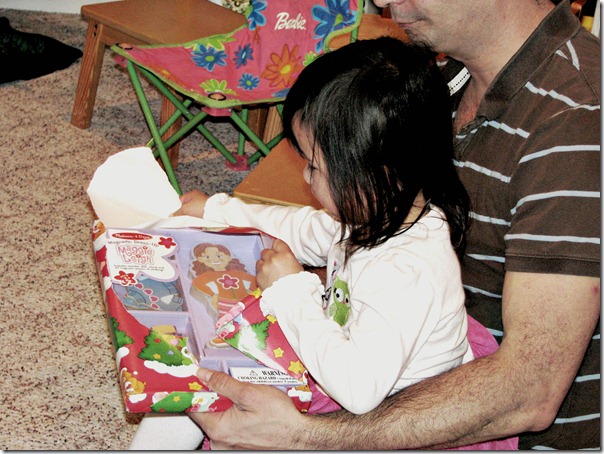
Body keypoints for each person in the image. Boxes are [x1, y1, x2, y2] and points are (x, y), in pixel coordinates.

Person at [185, 0, 600, 450]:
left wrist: (299, 434)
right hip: (379, 363)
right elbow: (314, 229)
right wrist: (218, 211)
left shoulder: (577, 124)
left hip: (432, 415)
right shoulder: (421, 90)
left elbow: (526, 392)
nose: (381, 0)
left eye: (315, 168)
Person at [129, 37, 516, 450]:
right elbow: (300, 228)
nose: (305, 178)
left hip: (382, 416)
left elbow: (358, 390)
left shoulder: (406, 270)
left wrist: (290, 289)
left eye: (315, 167)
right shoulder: (381, 211)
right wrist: (216, 210)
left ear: (380, 172)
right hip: (349, 361)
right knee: (198, 374)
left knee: (229, 403)